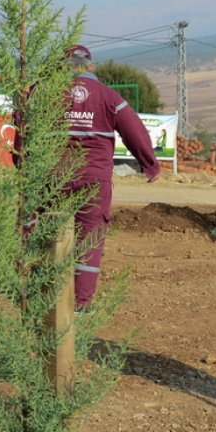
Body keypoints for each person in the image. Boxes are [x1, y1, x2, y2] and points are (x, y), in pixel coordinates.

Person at [62, 44, 160, 309]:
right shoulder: (109, 96)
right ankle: (81, 304)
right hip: (94, 178)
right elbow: (134, 129)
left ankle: (38, 295)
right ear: (90, 66)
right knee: (90, 238)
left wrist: (21, 163)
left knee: (42, 232)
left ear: (63, 66)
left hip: (52, 178)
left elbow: (22, 124)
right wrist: (149, 165)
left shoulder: (44, 95)